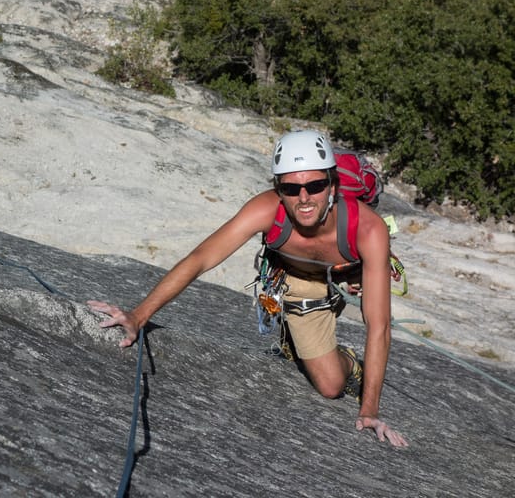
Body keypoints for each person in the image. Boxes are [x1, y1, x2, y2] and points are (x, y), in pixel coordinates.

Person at [88, 129, 408, 447]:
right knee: (330, 386)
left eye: (315, 185)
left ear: (333, 185)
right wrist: (139, 316)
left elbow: (378, 325)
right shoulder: (266, 209)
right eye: (291, 188)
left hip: (350, 278)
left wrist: (369, 411)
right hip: (296, 280)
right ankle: (345, 361)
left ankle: (330, 354)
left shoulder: (368, 229)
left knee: (344, 359)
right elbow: (201, 258)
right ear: (278, 190)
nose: (305, 197)